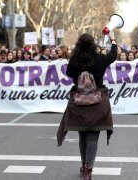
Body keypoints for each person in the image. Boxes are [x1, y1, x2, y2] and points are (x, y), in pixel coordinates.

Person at [57, 33, 117, 180]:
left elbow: (69, 73)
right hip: (97, 102)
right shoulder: (100, 59)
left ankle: (84, 165)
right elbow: (114, 55)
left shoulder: (75, 60)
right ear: (93, 45)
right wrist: (113, 39)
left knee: (82, 134)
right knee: (93, 135)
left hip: (78, 102)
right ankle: (88, 169)